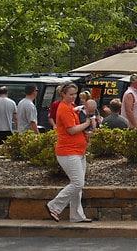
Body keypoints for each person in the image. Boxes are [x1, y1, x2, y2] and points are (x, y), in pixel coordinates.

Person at [46, 83, 94, 223]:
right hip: (68, 151)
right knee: (78, 183)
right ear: (63, 94)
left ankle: (76, 215)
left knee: (77, 184)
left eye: (75, 94)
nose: (73, 97)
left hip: (78, 150)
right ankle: (54, 206)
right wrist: (87, 123)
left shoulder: (70, 107)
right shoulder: (64, 109)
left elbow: (76, 117)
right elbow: (71, 130)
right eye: (70, 94)